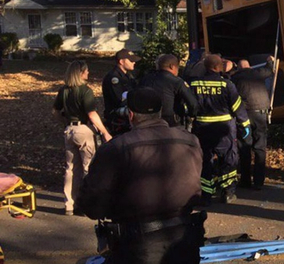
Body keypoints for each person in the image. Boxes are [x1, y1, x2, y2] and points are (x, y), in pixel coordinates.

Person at [78, 87, 205, 264]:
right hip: (185, 237)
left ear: (130, 115)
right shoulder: (190, 141)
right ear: (160, 112)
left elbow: (93, 202)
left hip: (137, 243)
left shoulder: (117, 148)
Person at [52, 61, 112, 216]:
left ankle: (69, 204)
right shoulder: (85, 91)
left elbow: (56, 111)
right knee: (88, 167)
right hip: (84, 129)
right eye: (86, 71)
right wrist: (104, 131)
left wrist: (64, 123)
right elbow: (92, 114)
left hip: (69, 130)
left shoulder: (64, 90)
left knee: (71, 168)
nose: (88, 73)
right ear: (81, 73)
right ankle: (86, 203)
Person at [190, 54, 250, 204]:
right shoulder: (226, 84)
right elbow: (237, 107)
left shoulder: (194, 84)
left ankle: (206, 193)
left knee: (205, 160)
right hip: (224, 129)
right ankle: (228, 192)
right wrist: (245, 124)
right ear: (218, 67)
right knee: (228, 158)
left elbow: (188, 107)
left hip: (202, 128)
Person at [230, 58, 274, 190]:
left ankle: (245, 180)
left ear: (238, 68)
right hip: (261, 114)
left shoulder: (235, 78)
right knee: (260, 148)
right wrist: (270, 61)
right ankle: (259, 182)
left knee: (245, 147)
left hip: (245, 116)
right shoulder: (258, 73)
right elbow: (269, 71)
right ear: (249, 67)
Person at [138, 54, 198, 127]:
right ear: (172, 66)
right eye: (177, 68)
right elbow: (192, 103)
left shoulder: (145, 79)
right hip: (171, 122)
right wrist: (191, 115)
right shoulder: (177, 82)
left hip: (148, 121)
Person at [102, 49, 140, 135]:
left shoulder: (128, 76)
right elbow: (120, 100)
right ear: (121, 62)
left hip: (127, 119)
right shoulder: (114, 78)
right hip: (118, 120)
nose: (134, 62)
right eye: (131, 60)